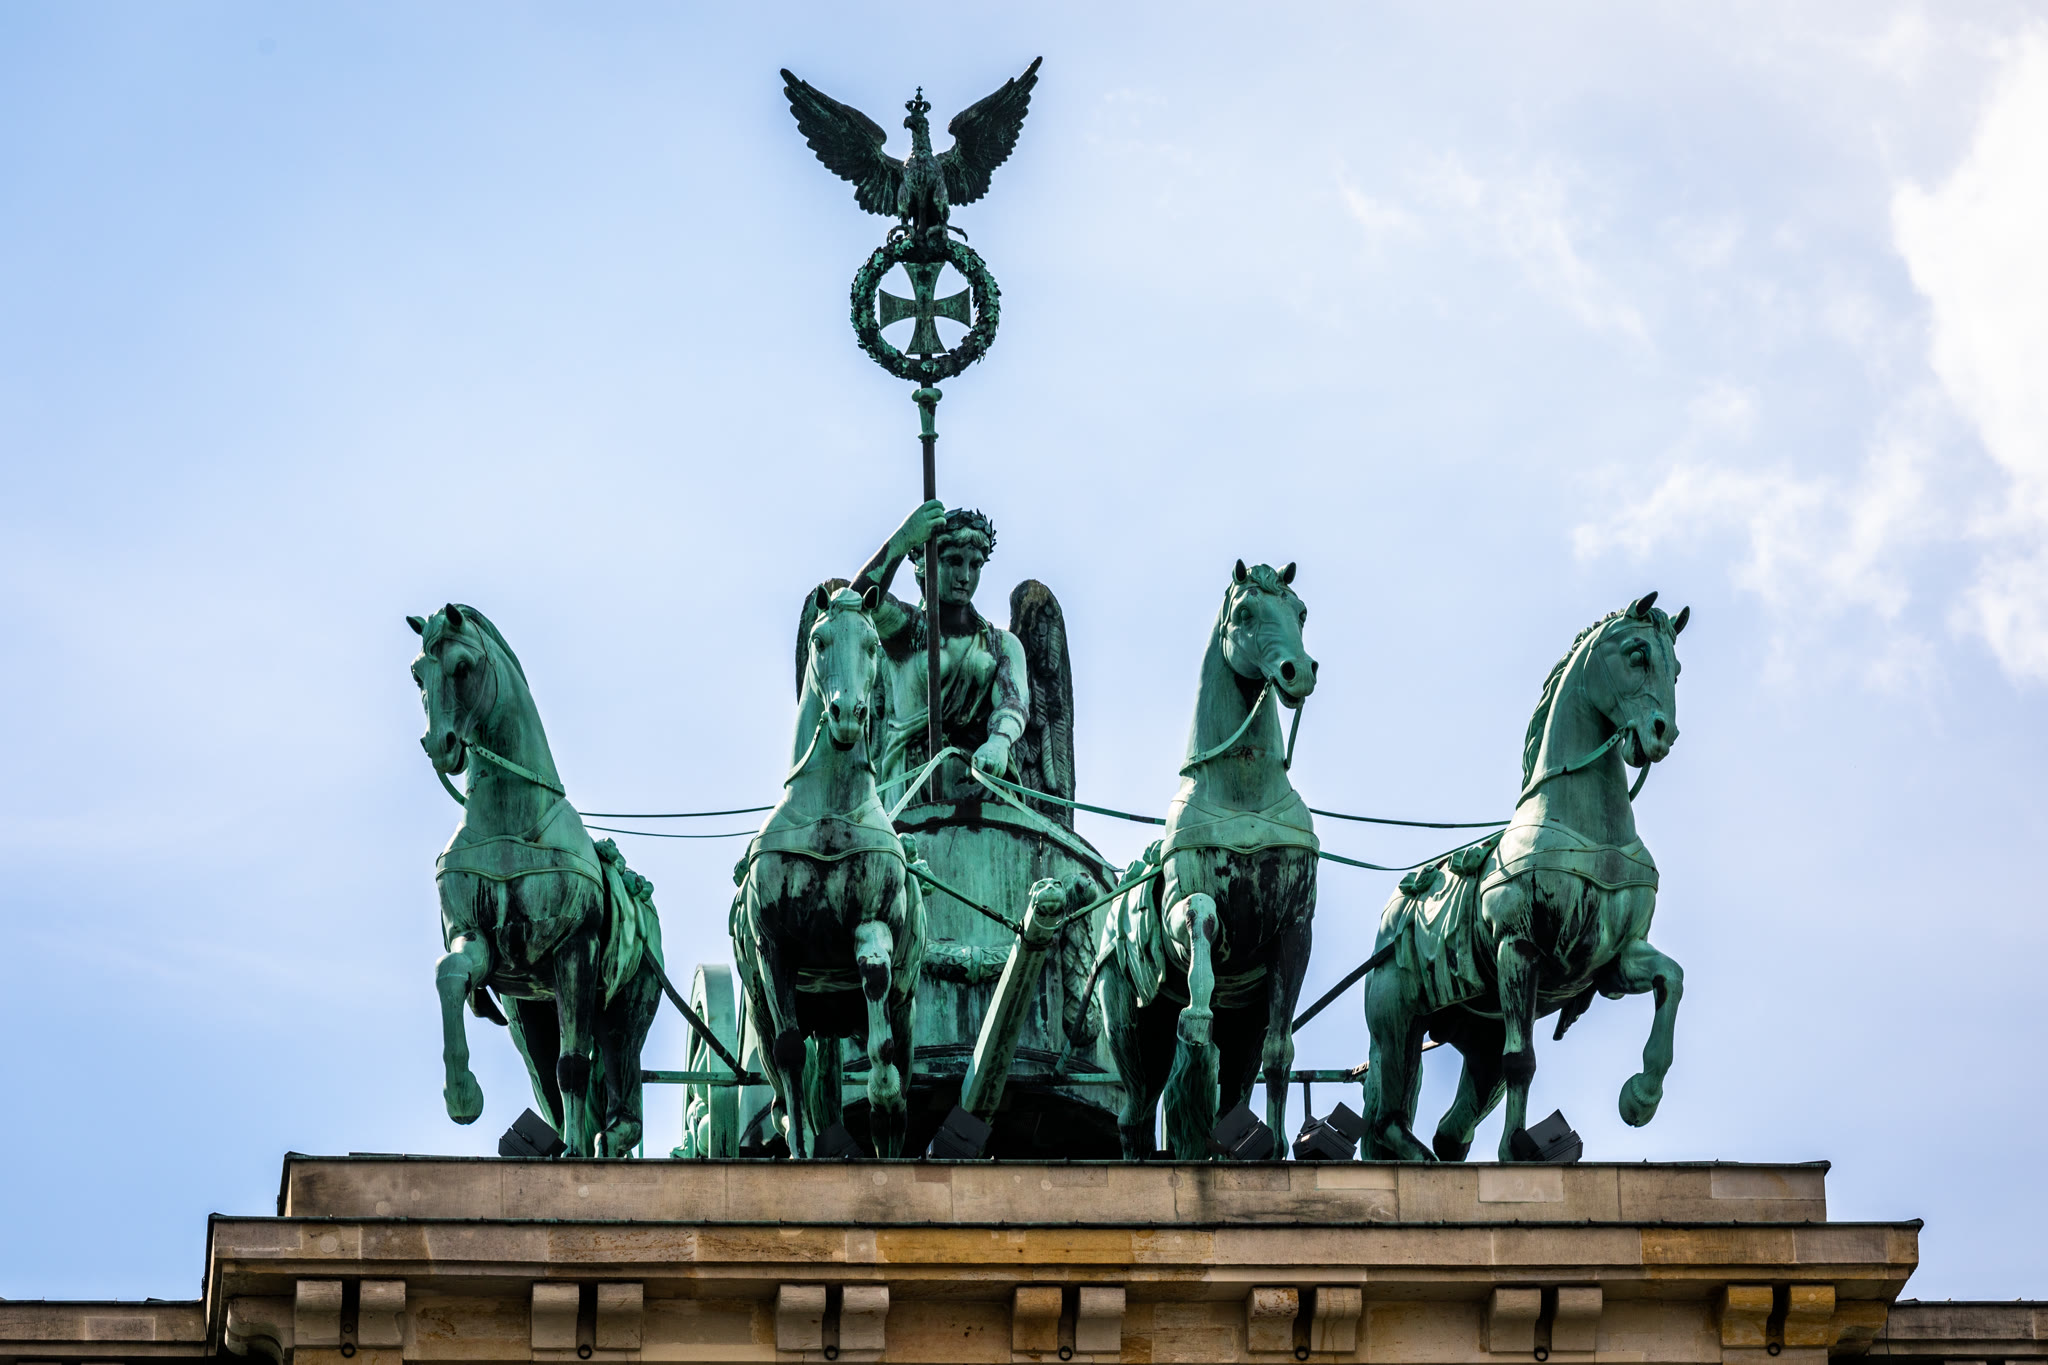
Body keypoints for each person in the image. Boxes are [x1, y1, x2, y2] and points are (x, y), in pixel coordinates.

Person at [852, 499, 1029, 802]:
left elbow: (1013, 702)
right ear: (928, 565)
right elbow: (857, 603)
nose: (965, 576)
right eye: (954, 561)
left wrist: (999, 742)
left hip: (981, 782)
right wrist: (903, 539)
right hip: (912, 787)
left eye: (975, 565)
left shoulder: (1001, 644)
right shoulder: (906, 630)